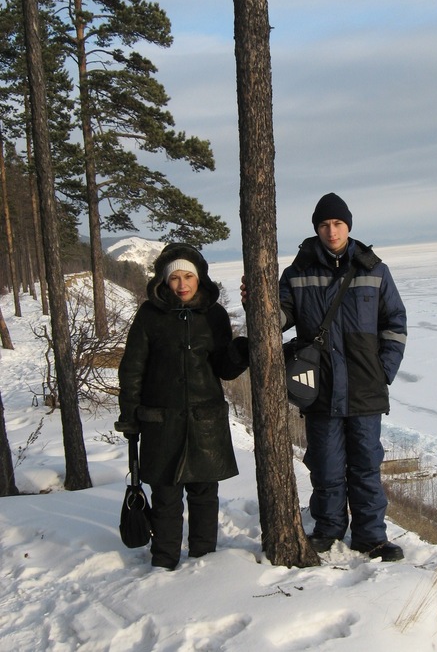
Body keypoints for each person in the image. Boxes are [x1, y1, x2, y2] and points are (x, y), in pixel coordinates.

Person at [242, 193, 407, 561]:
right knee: (326, 465)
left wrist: (384, 371)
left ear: (348, 226)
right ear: (316, 228)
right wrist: (256, 302)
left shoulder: (374, 269)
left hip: (365, 388)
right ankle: (329, 529)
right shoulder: (298, 272)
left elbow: (394, 323)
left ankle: (371, 536)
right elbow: (278, 318)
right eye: (324, 224)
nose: (331, 231)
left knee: (366, 465)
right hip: (318, 387)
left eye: (337, 224)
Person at [116, 243, 249, 570]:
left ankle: (204, 560)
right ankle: (164, 562)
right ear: (165, 281)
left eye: (188, 275)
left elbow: (224, 368)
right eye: (174, 277)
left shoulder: (214, 315)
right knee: (166, 498)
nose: (182, 284)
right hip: (161, 422)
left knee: (205, 496)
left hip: (205, 421)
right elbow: (133, 369)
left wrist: (243, 348)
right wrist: (130, 417)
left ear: (199, 277)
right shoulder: (149, 315)